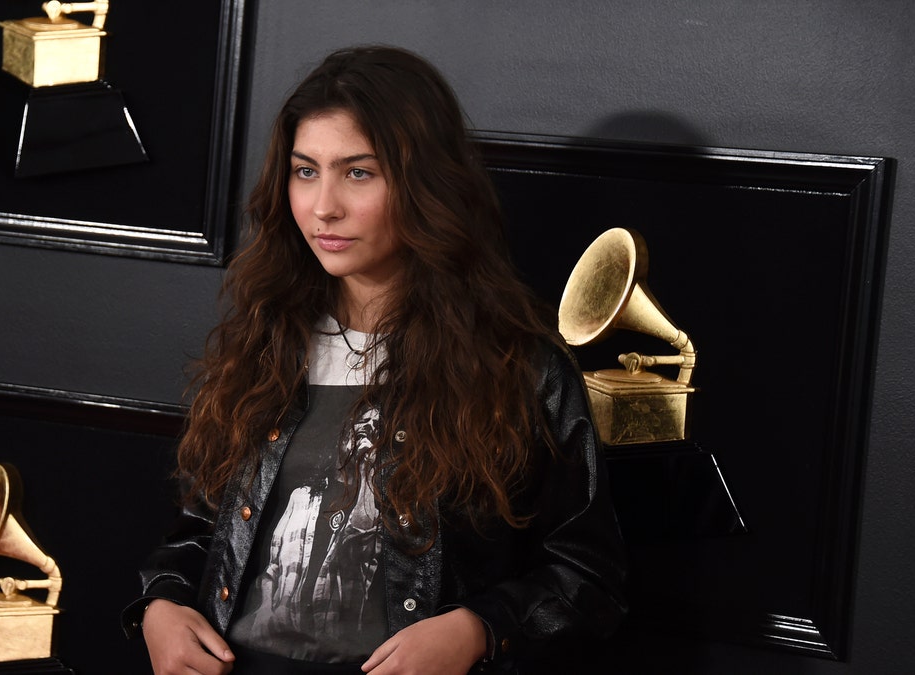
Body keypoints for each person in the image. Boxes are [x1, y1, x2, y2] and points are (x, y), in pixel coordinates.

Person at [121, 44, 628, 674]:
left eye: (358, 172)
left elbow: (588, 577)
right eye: (306, 171)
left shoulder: (519, 371)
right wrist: (159, 603)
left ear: (424, 186)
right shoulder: (264, 342)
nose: (323, 205)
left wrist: (479, 630)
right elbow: (203, 528)